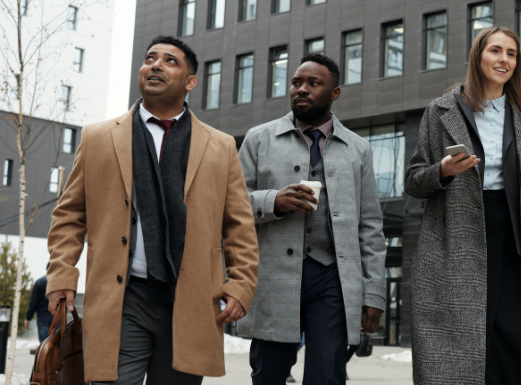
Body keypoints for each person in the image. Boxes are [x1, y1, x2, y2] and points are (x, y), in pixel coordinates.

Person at [45, 35, 259, 384]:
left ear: (190, 82)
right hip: (122, 297)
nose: (156, 65)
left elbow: (240, 226)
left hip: (189, 300)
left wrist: (240, 284)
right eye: (150, 58)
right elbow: (69, 216)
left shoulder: (220, 147)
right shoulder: (98, 138)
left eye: (170, 61)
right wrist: (62, 275)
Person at [405, 25, 521, 385]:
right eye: (495, 51)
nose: (504, 59)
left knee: (515, 335)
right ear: (478, 56)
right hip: (456, 237)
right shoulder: (441, 110)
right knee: (469, 343)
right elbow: (414, 181)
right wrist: (443, 170)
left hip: (512, 238)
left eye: (511, 53)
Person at [237, 53, 386, 385]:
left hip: (332, 276)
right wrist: (273, 200)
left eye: (313, 83)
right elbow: (229, 206)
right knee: (269, 375)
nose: (301, 89)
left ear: (334, 93)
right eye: (296, 82)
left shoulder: (358, 149)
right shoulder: (258, 139)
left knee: (327, 375)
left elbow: (371, 226)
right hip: (273, 275)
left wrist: (374, 293)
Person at [26, 263, 53, 343]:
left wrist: (28, 318)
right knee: (56, 342)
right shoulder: (61, 283)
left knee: (44, 343)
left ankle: (44, 355)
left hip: (42, 316)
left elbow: (33, 302)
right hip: (57, 315)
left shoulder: (39, 282)